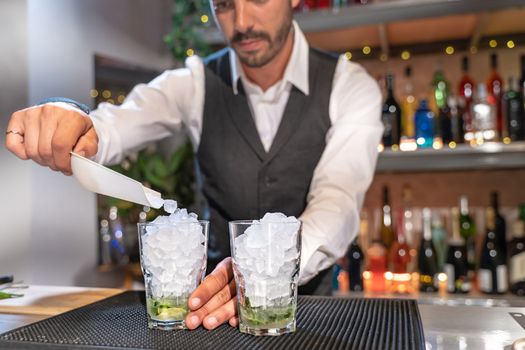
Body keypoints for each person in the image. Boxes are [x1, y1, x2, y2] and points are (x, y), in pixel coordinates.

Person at [5, 0, 382, 331]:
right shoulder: (194, 83)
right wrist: (74, 119)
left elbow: (339, 198)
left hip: (309, 311)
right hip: (206, 312)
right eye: (223, 4)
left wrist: (266, 269)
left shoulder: (349, 86)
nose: (242, 21)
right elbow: (114, 124)